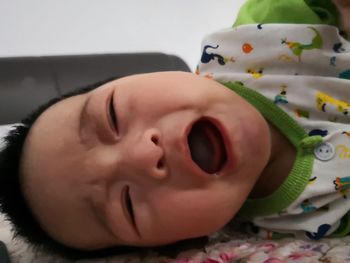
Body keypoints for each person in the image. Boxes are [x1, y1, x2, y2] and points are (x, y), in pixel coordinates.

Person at [1, 0, 350, 259]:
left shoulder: (261, 35)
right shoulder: (302, 227)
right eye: (128, 205)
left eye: (113, 116)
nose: (144, 154)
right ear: (180, 242)